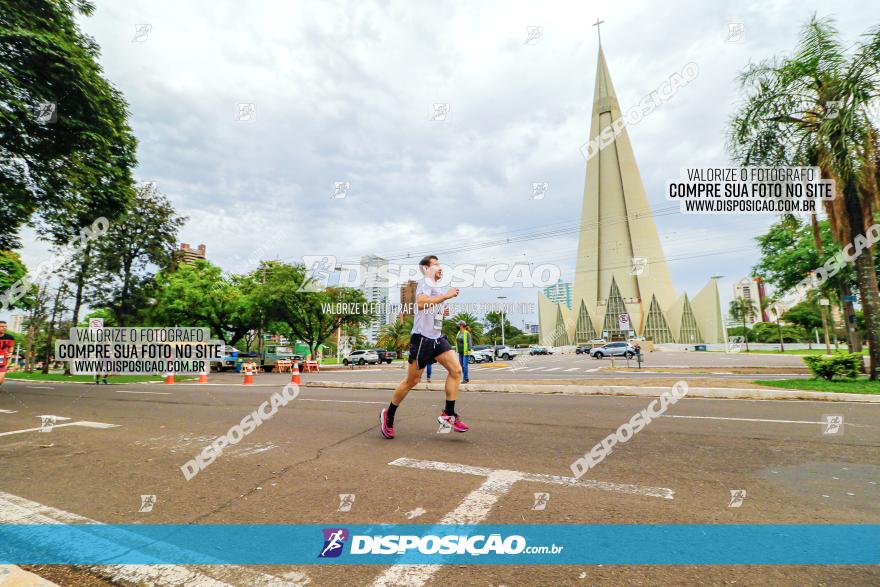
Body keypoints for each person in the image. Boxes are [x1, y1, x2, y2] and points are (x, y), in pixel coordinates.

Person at [380, 255, 468, 439]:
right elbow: (419, 304)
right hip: (422, 340)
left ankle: (448, 415)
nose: (440, 267)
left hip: (437, 338)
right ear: (427, 268)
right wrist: (445, 296)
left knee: (456, 370)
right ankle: (389, 414)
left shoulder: (435, 287)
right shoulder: (425, 283)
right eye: (436, 264)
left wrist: (440, 312)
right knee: (412, 381)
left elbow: (431, 313)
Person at [0, 321, 14, 387]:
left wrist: (10, 353)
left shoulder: (10, 337)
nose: (4, 328)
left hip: (2, 359)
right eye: (2, 326)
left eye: (5, 326)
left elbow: (11, 346)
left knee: (0, 380)